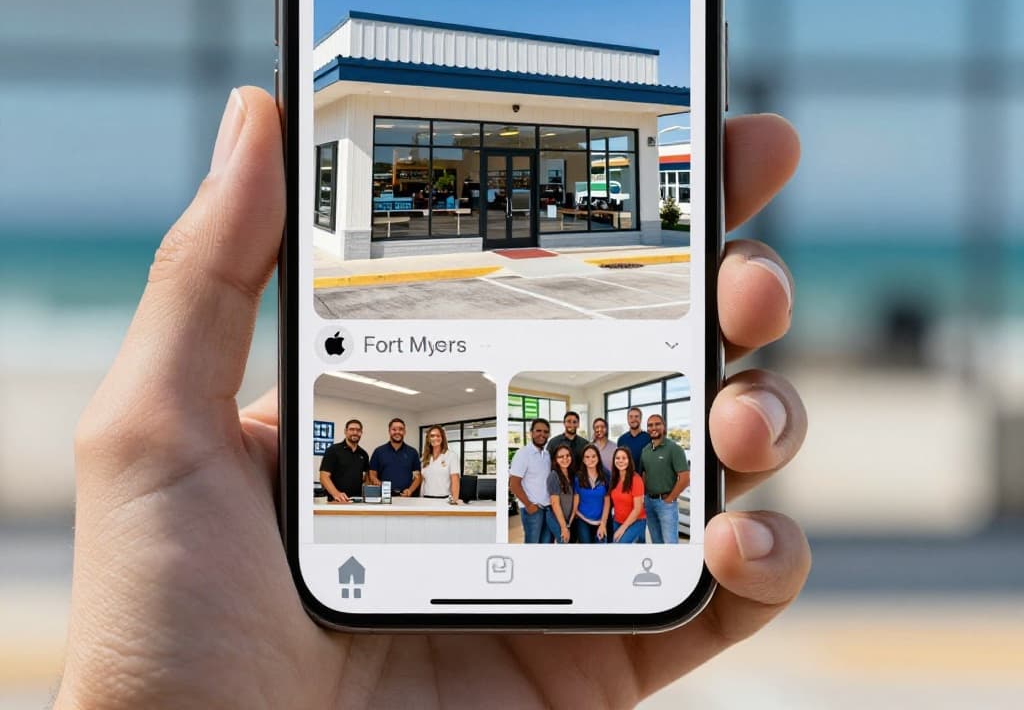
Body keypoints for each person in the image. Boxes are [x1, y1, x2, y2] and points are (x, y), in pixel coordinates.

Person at [57, 91, 810, 707]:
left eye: (403, 434)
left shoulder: (585, 453)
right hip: (496, 549)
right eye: (383, 431)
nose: (397, 438)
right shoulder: (453, 452)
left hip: (585, 535)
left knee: (677, 503)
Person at [640, 414, 690, 544]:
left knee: (670, 544)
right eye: (650, 425)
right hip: (649, 503)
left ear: (664, 427)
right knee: (656, 543)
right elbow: (645, 474)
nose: (653, 427)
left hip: (666, 504)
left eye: (657, 424)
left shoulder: (674, 449)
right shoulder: (645, 450)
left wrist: (670, 498)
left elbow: (685, 478)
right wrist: (643, 497)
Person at [509, 418, 553, 543]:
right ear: (531, 432)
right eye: (538, 431)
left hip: (548, 508)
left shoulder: (547, 454)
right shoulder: (523, 454)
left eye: (545, 432)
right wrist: (528, 505)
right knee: (532, 545)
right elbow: (514, 484)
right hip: (532, 509)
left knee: (545, 544)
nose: (542, 434)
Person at [317, 418, 369, 502]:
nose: (355, 432)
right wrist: (336, 493)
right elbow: (324, 476)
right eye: (351, 429)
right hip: (336, 500)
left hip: (356, 501)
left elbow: (366, 477)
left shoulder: (364, 454)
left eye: (358, 430)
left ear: (361, 433)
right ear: (345, 431)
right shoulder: (333, 450)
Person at [368, 417, 422, 497]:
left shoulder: (413, 452)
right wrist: (378, 483)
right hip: (384, 497)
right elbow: (372, 473)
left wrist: (410, 490)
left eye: (401, 429)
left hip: (406, 497)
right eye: (394, 429)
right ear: (389, 431)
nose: (397, 432)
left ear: (404, 432)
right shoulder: (379, 451)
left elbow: (418, 477)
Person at [572, 444, 610, 543]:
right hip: (583, 519)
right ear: (583, 460)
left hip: (601, 520)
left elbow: (607, 502)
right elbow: (576, 503)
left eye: (593, 456)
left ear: (598, 458)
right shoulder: (578, 478)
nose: (591, 459)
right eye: (587, 457)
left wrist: (603, 524)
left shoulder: (605, 476)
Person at [609, 447, 647, 544]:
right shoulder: (614, 478)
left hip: (637, 520)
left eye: (624, 458)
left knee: (619, 543)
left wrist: (622, 528)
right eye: (617, 458)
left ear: (629, 460)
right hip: (617, 520)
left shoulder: (636, 479)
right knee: (604, 541)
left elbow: (637, 509)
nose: (620, 461)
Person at [419, 424, 461, 503]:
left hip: (444, 500)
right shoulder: (424, 458)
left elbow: (455, 481)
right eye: (432, 436)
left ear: (442, 438)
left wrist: (454, 501)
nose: (435, 438)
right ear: (428, 439)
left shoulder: (451, 456)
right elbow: (423, 481)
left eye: (438, 436)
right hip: (425, 499)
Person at [545, 443, 576, 544]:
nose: (565, 459)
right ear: (555, 460)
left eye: (567, 455)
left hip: (567, 518)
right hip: (555, 517)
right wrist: (564, 527)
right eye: (561, 457)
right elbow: (555, 504)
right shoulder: (554, 476)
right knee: (564, 541)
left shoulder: (571, 474)